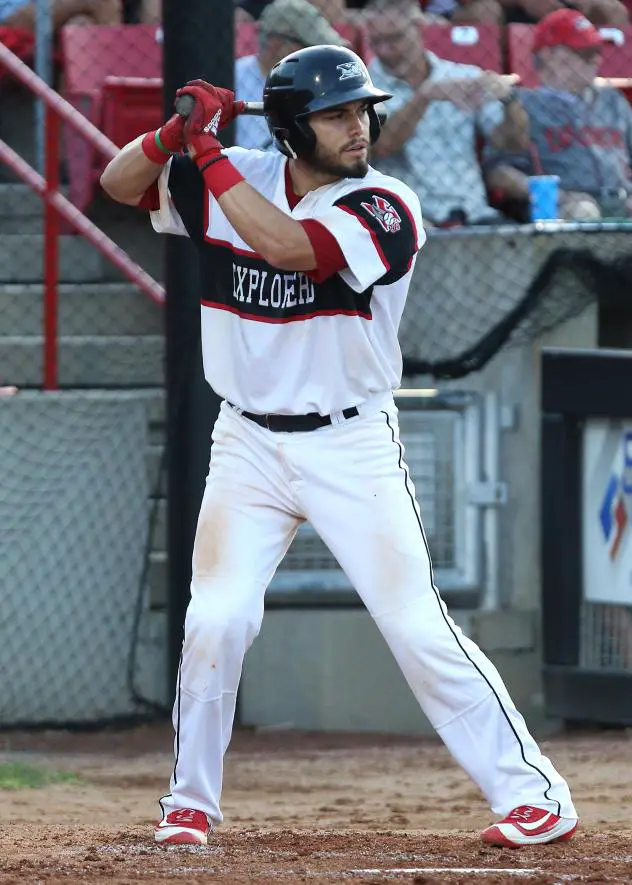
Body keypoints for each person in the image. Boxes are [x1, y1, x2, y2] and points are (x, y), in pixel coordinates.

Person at [100, 42, 578, 850]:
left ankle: (535, 793)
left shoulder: (386, 205)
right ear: (292, 128)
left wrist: (208, 151)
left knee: (416, 625)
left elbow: (291, 247)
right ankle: (189, 802)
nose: (359, 126)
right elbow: (120, 185)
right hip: (246, 441)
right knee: (215, 618)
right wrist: (174, 136)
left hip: (349, 444)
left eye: (361, 109)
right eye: (335, 114)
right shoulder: (237, 176)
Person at [364, 0, 520, 226]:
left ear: (419, 28)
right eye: (376, 41)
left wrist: (508, 99)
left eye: (395, 38)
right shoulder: (366, 87)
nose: (385, 50)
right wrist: (425, 95)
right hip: (411, 217)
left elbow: (511, 143)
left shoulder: (462, 75)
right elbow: (382, 145)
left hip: (475, 211)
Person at [483, 9, 632, 221]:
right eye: (586, 54)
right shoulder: (522, 103)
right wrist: (559, 196)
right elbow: (497, 172)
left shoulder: (613, 100)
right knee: (584, 212)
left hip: (622, 200)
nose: (596, 61)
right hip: (565, 207)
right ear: (549, 56)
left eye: (598, 52)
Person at [235, 0, 346, 150]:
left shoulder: (316, 82)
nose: (317, 58)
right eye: (308, 48)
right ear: (277, 45)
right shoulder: (234, 78)